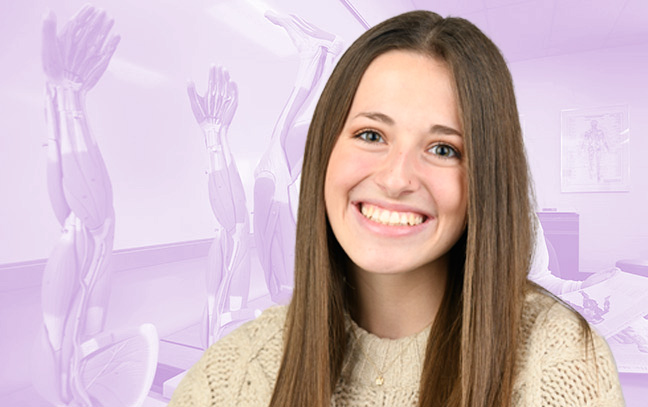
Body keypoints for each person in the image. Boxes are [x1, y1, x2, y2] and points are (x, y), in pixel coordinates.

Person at [168, 10, 624, 407]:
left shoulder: (561, 363)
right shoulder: (233, 372)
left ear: (486, 176)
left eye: (444, 148)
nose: (395, 178)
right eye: (371, 135)